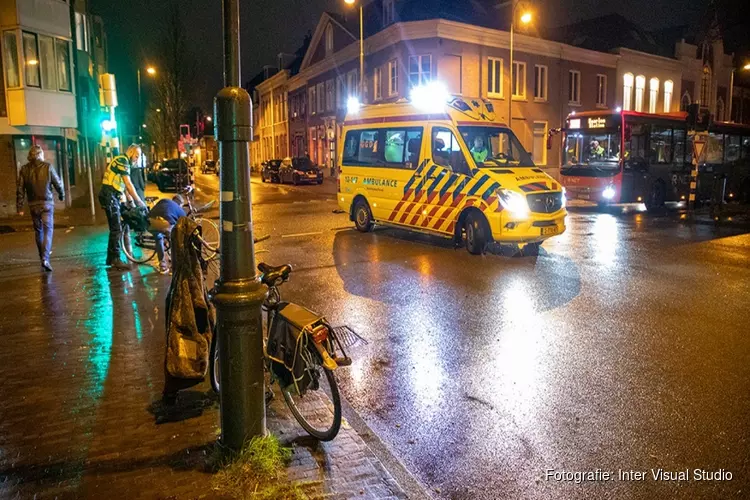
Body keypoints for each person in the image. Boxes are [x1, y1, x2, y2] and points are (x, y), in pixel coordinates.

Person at [16, 145, 64, 272]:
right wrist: (61, 195)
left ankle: (41, 257)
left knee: (38, 231)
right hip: (46, 203)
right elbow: (58, 182)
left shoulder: (24, 169)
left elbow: (20, 189)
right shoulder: (47, 167)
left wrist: (20, 206)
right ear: (39, 154)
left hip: (33, 205)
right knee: (48, 230)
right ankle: (45, 258)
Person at [98, 144, 147, 270]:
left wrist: (130, 201)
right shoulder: (122, 160)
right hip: (109, 195)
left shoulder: (124, 162)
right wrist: (139, 201)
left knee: (115, 228)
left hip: (112, 195)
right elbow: (128, 184)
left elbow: (124, 186)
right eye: (136, 156)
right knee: (116, 229)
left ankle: (110, 258)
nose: (136, 159)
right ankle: (116, 259)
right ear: (130, 152)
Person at [148, 195, 187, 273]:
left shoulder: (165, 200)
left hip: (151, 220)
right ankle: (173, 267)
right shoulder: (179, 209)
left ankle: (162, 265)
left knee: (159, 238)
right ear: (180, 204)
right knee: (174, 240)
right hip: (165, 223)